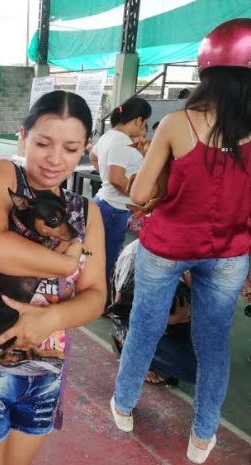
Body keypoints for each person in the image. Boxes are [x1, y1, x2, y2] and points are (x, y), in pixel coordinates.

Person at [0, 90, 107, 465]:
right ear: (23, 135)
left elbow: (95, 294)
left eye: (71, 147)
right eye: (43, 142)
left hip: (43, 373)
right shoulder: (3, 176)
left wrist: (52, 318)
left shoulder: (85, 212)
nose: (55, 159)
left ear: (86, 149)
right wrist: (63, 265)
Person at [111, 18, 251, 464]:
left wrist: (160, 184)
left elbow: (137, 194)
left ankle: (124, 404)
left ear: (206, 70)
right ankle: (202, 437)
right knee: (213, 345)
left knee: (145, 329)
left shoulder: (177, 124)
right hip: (230, 253)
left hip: (168, 245)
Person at [107, 239, 197, 386]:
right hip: (139, 321)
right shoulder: (135, 256)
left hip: (166, 312)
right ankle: (135, 355)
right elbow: (119, 312)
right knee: (197, 371)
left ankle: (156, 355)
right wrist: (173, 319)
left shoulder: (180, 246)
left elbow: (193, 287)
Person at [89, 97, 152, 284]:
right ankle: (99, 301)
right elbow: (116, 178)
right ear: (139, 120)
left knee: (98, 255)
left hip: (106, 205)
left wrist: (106, 178)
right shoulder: (122, 141)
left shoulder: (109, 136)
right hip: (114, 209)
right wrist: (139, 196)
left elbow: (93, 157)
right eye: (145, 123)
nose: (143, 128)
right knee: (106, 258)